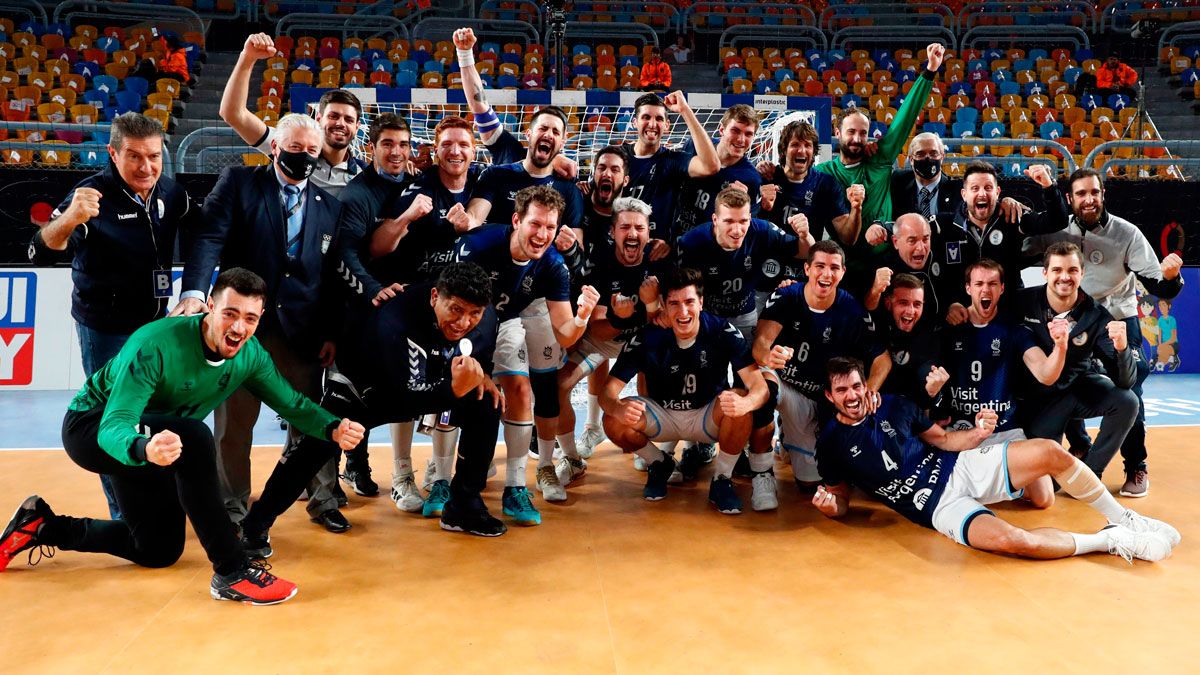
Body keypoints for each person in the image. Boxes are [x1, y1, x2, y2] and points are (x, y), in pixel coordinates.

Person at [0, 268, 366, 604]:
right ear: (209, 307)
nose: (239, 327)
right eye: (230, 314)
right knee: (194, 437)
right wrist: (144, 448)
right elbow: (115, 425)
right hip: (93, 427)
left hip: (161, 441)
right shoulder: (155, 343)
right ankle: (232, 571)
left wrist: (333, 427)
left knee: (157, 550)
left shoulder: (250, 355)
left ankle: (42, 525)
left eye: (250, 318)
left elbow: (292, 403)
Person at [237, 263, 507, 547]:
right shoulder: (397, 322)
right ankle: (256, 524)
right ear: (434, 297)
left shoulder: (486, 318)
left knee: (485, 402)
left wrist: (483, 374)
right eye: (455, 310)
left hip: (423, 379)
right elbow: (409, 399)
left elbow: (480, 348)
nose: (464, 322)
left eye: (474, 314)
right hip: (364, 387)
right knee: (315, 445)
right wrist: (455, 387)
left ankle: (463, 506)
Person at [812, 357, 1177, 562]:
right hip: (937, 508)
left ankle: (1126, 518)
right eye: (842, 390)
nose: (852, 395)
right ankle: (1110, 541)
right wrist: (833, 508)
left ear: (866, 385)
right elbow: (840, 497)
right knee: (1019, 542)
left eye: (857, 386)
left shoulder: (893, 405)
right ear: (830, 396)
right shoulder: (831, 442)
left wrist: (977, 435)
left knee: (1049, 451)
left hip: (958, 467)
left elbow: (942, 439)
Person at [173, 113, 348, 532]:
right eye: (295, 148)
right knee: (234, 424)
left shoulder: (330, 206)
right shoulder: (239, 183)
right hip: (241, 330)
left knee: (311, 419)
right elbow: (209, 238)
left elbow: (330, 277)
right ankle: (232, 507)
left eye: (311, 150)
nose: (303, 157)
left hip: (302, 333)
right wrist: (195, 292)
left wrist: (330, 332)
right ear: (274, 147)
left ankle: (322, 499)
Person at [28, 112, 201, 520]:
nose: (146, 167)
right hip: (106, 329)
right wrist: (70, 217)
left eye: (154, 156)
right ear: (112, 153)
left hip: (157, 325)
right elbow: (40, 247)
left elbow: (205, 234)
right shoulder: (91, 195)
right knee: (113, 418)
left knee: (157, 411)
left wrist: (196, 292)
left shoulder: (170, 194)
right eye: (135, 157)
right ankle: (124, 514)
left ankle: (161, 496)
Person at [1024, 168, 1185, 497]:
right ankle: (1081, 446)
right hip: (1071, 317)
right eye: (1081, 194)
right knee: (1065, 378)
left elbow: (1158, 284)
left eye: (1094, 192)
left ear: (1103, 195)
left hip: (1118, 320)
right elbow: (1019, 246)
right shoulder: (1057, 229)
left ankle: (1136, 465)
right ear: (1069, 198)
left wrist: (1171, 278)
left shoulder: (1126, 233)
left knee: (1131, 389)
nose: (1089, 199)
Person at [455, 186, 599, 525]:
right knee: (459, 390)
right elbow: (449, 303)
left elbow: (565, 332)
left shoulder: (553, 265)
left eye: (550, 227)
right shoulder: (478, 246)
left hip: (504, 324)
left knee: (521, 390)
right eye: (535, 224)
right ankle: (441, 480)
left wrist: (582, 316)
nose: (543, 234)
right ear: (517, 220)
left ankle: (516, 487)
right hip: (462, 322)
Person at [363, 115, 482, 509]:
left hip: (457, 307)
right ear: (435, 148)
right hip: (416, 306)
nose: (455, 151)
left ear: (473, 149)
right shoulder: (418, 189)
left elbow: (517, 168)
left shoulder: (483, 182)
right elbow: (385, 246)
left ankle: (441, 472)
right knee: (404, 388)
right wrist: (426, 222)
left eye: (463, 144)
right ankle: (400, 474)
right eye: (447, 143)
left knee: (454, 386)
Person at [601, 267, 770, 513]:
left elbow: (760, 388)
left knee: (739, 402)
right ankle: (659, 463)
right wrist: (616, 407)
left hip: (707, 414)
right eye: (674, 304)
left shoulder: (722, 331)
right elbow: (607, 392)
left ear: (701, 302)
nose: (682, 312)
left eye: (689, 302)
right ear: (663, 306)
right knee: (612, 420)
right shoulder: (648, 336)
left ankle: (722, 479)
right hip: (664, 414)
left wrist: (746, 403)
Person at [324, 112, 417, 505]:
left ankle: (406, 467)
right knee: (352, 393)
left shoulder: (415, 184)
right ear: (372, 148)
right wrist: (373, 291)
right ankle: (354, 462)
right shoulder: (357, 194)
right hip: (361, 306)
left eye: (403, 144)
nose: (396, 152)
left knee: (403, 385)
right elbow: (343, 253)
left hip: (403, 306)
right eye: (388, 144)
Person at [552, 197, 669, 496]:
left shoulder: (661, 257)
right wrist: (619, 317)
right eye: (625, 227)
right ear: (614, 231)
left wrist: (651, 304)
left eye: (639, 228)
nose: (632, 234)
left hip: (645, 338)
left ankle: (650, 451)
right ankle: (571, 458)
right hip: (605, 340)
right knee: (559, 385)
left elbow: (666, 319)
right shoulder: (599, 260)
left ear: (648, 232)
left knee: (654, 382)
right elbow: (599, 330)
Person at [752, 240, 890, 488]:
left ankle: (788, 438)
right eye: (820, 266)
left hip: (818, 397)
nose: (827, 274)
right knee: (763, 387)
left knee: (810, 484)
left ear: (843, 272)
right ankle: (762, 474)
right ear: (807, 269)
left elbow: (883, 359)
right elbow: (761, 343)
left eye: (834, 268)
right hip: (786, 385)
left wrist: (869, 389)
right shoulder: (786, 296)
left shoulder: (851, 309)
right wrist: (768, 356)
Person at [1016, 242, 1139, 482]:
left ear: (1082, 273)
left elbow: (1125, 381)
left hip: (1077, 389)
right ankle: (1067, 449)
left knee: (1127, 401)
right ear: (1045, 273)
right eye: (1057, 270)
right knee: (1046, 484)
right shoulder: (1022, 303)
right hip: (1038, 400)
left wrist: (1122, 348)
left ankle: (1089, 475)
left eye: (1072, 270)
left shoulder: (1095, 315)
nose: (1065, 277)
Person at [221, 33, 366, 197]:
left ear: (357, 126)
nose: (341, 123)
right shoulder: (291, 149)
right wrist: (247, 58)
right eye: (333, 116)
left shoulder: (364, 175)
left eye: (348, 119)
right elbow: (233, 114)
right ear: (318, 119)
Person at [940, 161, 1069, 317]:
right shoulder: (946, 227)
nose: (982, 194)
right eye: (975, 188)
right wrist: (950, 303)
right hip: (964, 314)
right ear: (964, 194)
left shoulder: (1012, 217)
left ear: (997, 192)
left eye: (988, 188)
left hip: (1009, 313)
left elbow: (1058, 221)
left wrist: (1049, 187)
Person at [929, 260, 1030, 439]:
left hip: (1006, 430)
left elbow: (1045, 373)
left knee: (1046, 456)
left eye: (992, 284)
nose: (985, 289)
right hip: (958, 431)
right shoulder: (947, 330)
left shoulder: (1014, 329)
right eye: (979, 284)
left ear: (1002, 288)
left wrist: (1060, 345)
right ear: (968, 288)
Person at [622, 92, 719, 242]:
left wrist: (685, 110)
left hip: (657, 251)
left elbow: (711, 166)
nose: (653, 124)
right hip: (619, 246)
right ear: (635, 122)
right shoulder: (617, 157)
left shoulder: (673, 161)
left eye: (659, 119)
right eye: (646, 117)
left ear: (667, 125)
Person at [759, 119, 863, 247]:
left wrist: (856, 208)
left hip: (807, 261)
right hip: (769, 262)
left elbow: (848, 239)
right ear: (784, 149)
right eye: (795, 144)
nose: (802, 151)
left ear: (814, 152)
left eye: (807, 145)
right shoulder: (766, 178)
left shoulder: (825, 184)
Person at [674, 104, 764, 237]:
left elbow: (747, 228)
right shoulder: (694, 146)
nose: (741, 139)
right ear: (722, 129)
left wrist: (741, 204)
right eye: (735, 131)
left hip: (708, 244)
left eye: (748, 134)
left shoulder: (751, 178)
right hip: (675, 234)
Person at [865, 213, 955, 327]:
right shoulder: (884, 267)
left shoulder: (942, 253)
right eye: (912, 240)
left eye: (925, 239)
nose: (921, 247)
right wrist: (876, 289)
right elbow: (869, 308)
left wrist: (954, 304)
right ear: (896, 242)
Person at [876, 273, 940, 408]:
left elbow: (926, 402)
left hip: (911, 414)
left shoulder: (929, 338)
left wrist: (933, 392)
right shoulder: (876, 329)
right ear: (888, 304)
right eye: (903, 303)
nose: (911, 311)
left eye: (917, 304)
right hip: (876, 409)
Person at [890, 133, 958, 223]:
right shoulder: (898, 182)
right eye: (920, 154)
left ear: (942, 157)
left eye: (933, 153)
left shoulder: (956, 189)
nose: (927, 158)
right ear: (911, 159)